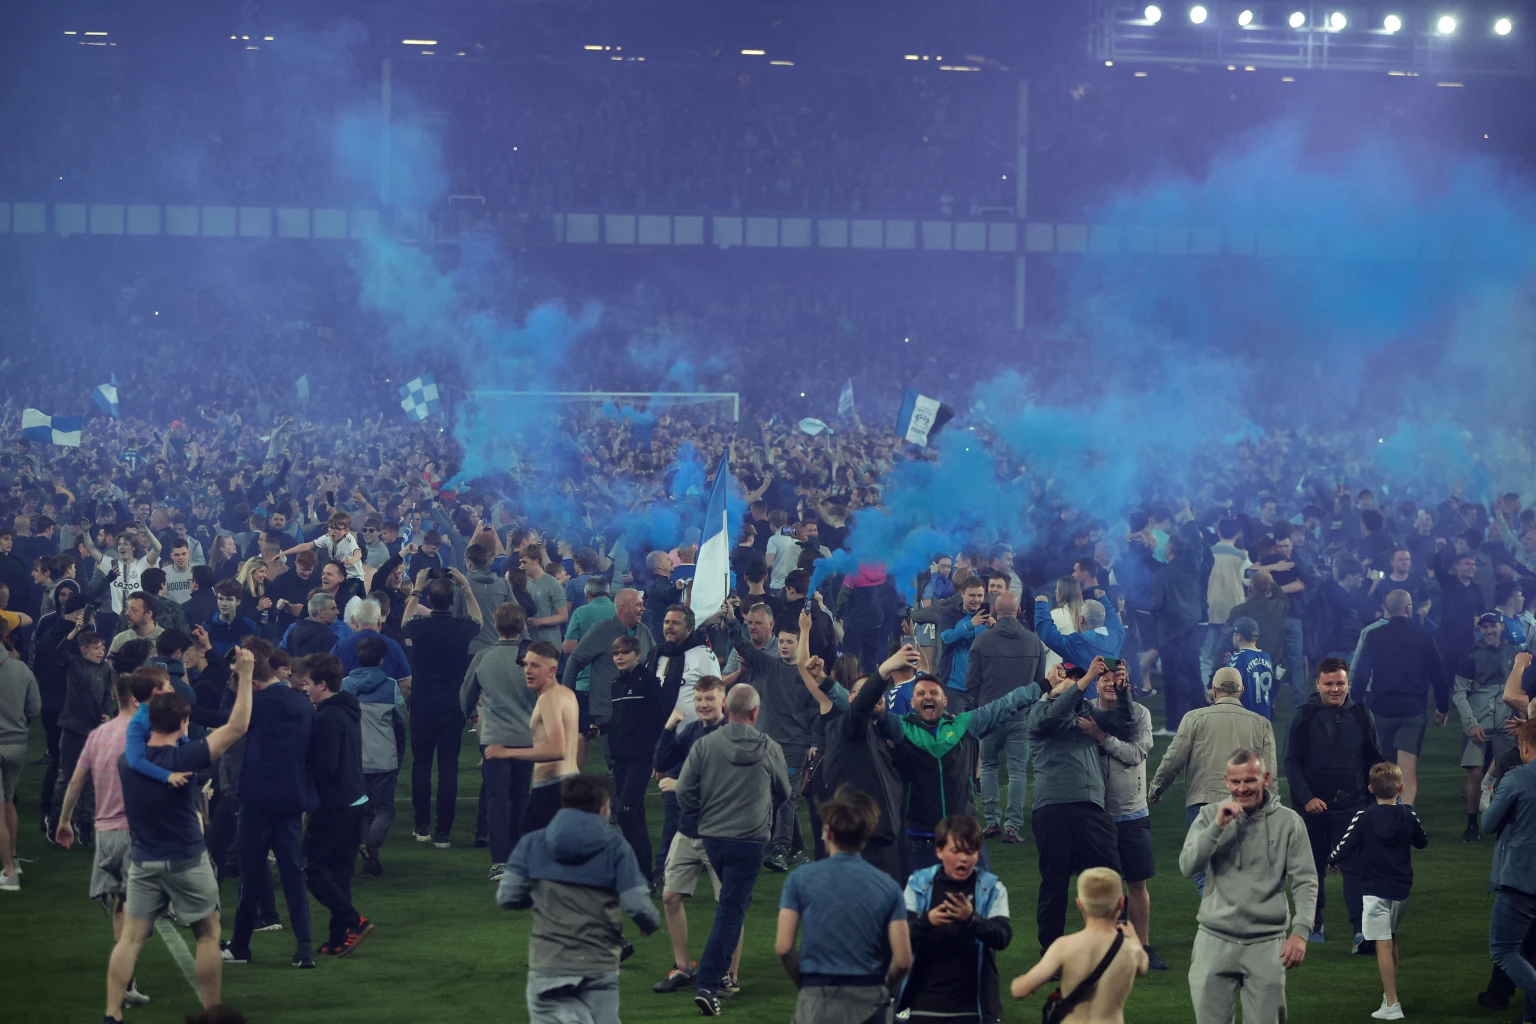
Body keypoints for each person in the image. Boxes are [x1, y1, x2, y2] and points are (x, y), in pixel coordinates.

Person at [105, 648, 253, 1024]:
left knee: (131, 939)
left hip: (143, 860)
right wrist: (247, 676)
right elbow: (236, 727)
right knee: (207, 933)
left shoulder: (128, 761)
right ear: (183, 722)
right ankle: (212, 1012)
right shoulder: (185, 759)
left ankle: (111, 1013)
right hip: (187, 858)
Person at [495, 774, 660, 1024]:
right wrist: (649, 924)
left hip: (548, 963)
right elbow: (638, 904)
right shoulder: (615, 847)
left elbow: (508, 897)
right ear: (603, 809)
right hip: (598, 962)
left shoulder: (532, 843)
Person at [675, 683, 791, 1016]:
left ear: (727, 708)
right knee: (731, 909)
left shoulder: (705, 744)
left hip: (712, 836)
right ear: (756, 713)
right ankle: (710, 983)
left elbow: (684, 790)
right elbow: (784, 793)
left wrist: (701, 813)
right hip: (751, 839)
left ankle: (722, 973)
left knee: (732, 903)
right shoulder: (770, 747)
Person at [1180, 748, 1317, 1024]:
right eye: (1236, 782)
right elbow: (1188, 867)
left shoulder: (1289, 822)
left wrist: (1301, 931)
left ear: (1265, 778)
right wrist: (1217, 826)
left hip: (1266, 943)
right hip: (1214, 939)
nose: (1242, 789)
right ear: (1226, 781)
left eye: (1250, 781)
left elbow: (1305, 881)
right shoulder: (1209, 816)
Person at [55, 669, 162, 1005]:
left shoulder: (98, 735)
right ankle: (124, 984)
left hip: (105, 835)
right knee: (138, 913)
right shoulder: (146, 733)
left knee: (121, 906)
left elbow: (75, 781)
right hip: (137, 832)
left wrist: (64, 821)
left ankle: (126, 984)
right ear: (136, 698)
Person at [1026, 657, 1135, 956]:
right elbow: (1050, 719)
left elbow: (1125, 725)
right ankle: (1051, 953)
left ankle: (1114, 945)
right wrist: (1084, 681)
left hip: (1090, 808)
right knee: (1054, 883)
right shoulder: (1039, 710)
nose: (1077, 683)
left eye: (1080, 678)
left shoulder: (1088, 712)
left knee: (1110, 877)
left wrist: (1123, 691)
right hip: (1054, 807)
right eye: (1071, 678)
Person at [884, 671, 1042, 877]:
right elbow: (861, 714)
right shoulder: (900, 728)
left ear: (945, 700)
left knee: (980, 902)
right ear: (912, 703)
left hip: (964, 835)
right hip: (920, 839)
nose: (928, 697)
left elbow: (1006, 703)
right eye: (921, 693)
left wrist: (1046, 684)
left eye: (933, 692)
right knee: (921, 907)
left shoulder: (964, 724)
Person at [775, 784, 911, 1024]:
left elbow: (784, 948)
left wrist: (806, 985)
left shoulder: (800, 879)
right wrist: (884, 989)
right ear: (867, 834)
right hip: (869, 999)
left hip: (817, 998)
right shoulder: (888, 886)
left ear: (828, 832)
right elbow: (902, 960)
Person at [222, 639, 319, 969]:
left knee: (252, 875)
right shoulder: (303, 703)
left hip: (258, 798)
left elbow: (227, 720)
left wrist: (239, 681)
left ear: (252, 682)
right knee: (292, 875)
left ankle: (240, 946)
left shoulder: (257, 704)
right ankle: (304, 949)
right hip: (292, 796)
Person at [652, 677, 745, 995]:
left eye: (710, 698)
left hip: (723, 835)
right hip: (689, 830)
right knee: (670, 896)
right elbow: (661, 763)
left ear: (724, 701)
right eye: (699, 699)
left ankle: (729, 974)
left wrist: (682, 786)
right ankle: (683, 967)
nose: (703, 704)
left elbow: (725, 784)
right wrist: (668, 727)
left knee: (730, 905)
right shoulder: (692, 731)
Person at [1283, 657, 1384, 949]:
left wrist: (1371, 800)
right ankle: (1313, 924)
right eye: (1329, 684)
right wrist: (1307, 798)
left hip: (1352, 808)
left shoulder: (1363, 715)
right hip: (1312, 808)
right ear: (1318, 684)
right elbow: (1291, 763)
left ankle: (1360, 931)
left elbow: (1374, 759)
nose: (1335, 689)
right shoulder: (1304, 716)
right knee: (1311, 868)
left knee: (1355, 868)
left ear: (1348, 683)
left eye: (1340, 683)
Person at [1151, 667, 1278, 896]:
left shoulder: (1195, 718)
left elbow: (1173, 759)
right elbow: (1270, 774)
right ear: (1241, 691)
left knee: (1205, 874)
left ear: (1213, 690)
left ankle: (1218, 925)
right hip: (1246, 808)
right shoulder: (1261, 724)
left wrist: (1156, 788)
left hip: (1204, 805)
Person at [797, 633, 908, 882]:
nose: (875, 696)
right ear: (850, 699)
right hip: (857, 840)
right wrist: (885, 670)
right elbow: (861, 707)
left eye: (878, 693)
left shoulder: (882, 732)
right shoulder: (847, 726)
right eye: (863, 691)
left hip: (885, 838)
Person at [721, 604, 821, 872]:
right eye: (784, 642)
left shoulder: (809, 675)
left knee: (785, 794)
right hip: (770, 742)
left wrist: (814, 743)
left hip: (796, 746)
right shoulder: (769, 665)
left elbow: (817, 711)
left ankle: (779, 848)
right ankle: (798, 850)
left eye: (791, 642)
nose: (785, 646)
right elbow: (742, 645)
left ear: (800, 645)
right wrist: (732, 621)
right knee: (778, 795)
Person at [1327, 762, 1429, 1021]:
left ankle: (1392, 1003)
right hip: (1401, 889)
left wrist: (1331, 859)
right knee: (1391, 938)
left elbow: (1344, 847)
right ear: (1401, 787)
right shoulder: (1408, 814)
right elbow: (1422, 842)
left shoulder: (1364, 816)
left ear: (1371, 788)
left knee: (1382, 945)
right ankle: (1389, 995)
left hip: (1374, 890)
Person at [1084, 658, 1166, 970]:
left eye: (1115, 678)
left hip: (1132, 811)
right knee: (1102, 886)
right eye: (1104, 678)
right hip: (1097, 811)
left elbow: (1136, 754)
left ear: (1126, 682)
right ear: (1096, 683)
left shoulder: (1140, 714)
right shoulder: (1086, 709)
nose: (1109, 683)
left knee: (1137, 883)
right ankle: (1108, 947)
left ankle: (1143, 946)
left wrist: (1101, 737)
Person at [293, 653, 372, 958]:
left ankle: (354, 921)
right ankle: (339, 939)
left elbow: (326, 767)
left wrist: (303, 762)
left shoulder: (326, 717)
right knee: (339, 873)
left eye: (309, 684)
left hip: (334, 804)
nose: (305, 689)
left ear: (322, 684)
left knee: (314, 870)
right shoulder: (348, 711)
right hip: (355, 800)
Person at [899, 813, 1013, 1023]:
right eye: (956, 851)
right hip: (923, 1006)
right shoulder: (919, 884)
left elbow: (1002, 937)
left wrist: (972, 919)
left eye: (970, 852)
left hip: (972, 1010)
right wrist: (927, 921)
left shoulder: (992, 888)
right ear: (939, 851)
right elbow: (900, 937)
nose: (963, 858)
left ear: (978, 855)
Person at [402, 571, 482, 846]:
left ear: (429, 599)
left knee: (421, 765)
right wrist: (466, 586)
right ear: (452, 600)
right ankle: (443, 832)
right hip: (452, 705)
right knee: (448, 768)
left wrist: (416, 588)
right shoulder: (461, 627)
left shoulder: (420, 626)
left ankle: (422, 826)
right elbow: (479, 620)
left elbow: (404, 621)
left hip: (423, 704)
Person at [1009, 868, 1148, 1021]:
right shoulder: (1130, 949)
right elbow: (1142, 967)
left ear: (1080, 904)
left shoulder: (1064, 946)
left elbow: (1019, 990)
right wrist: (1134, 938)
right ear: (1121, 903)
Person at [461, 602, 536, 881]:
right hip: (525, 736)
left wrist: (471, 714)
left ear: (496, 625)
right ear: (521, 625)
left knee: (496, 799)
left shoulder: (483, 657)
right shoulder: (532, 658)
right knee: (520, 796)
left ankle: (500, 862)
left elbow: (465, 694)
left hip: (493, 738)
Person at [1353, 589, 1449, 807]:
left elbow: (1361, 676)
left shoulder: (1374, 635)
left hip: (1380, 710)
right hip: (1412, 710)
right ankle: (1405, 820)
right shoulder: (1423, 634)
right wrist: (1442, 707)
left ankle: (1382, 817)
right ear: (1408, 608)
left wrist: (1355, 706)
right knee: (1407, 770)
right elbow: (1439, 674)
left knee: (1382, 770)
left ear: (1387, 608)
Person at [969, 592, 1048, 845]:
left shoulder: (981, 641)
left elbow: (971, 683)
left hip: (989, 714)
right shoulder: (1034, 642)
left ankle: (991, 821)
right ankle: (1012, 827)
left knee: (989, 766)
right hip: (1021, 716)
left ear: (994, 610)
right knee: (1017, 772)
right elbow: (1040, 683)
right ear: (1018, 611)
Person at [649, 603, 723, 865]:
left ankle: (666, 863)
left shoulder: (702, 655)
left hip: (696, 740)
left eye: (675, 623)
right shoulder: (659, 654)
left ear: (689, 628)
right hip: (669, 740)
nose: (669, 626)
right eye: (667, 622)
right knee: (676, 801)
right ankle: (689, 856)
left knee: (683, 800)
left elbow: (717, 693)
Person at [483, 641, 579, 836]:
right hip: (569, 784)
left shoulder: (548, 698)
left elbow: (557, 749)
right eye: (526, 664)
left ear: (552, 670)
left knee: (534, 855)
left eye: (535, 666)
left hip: (552, 791)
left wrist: (506, 752)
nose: (527, 671)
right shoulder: (567, 694)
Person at [1482, 718, 1536, 1024]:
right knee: (1531, 953)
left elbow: (1488, 823)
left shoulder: (1517, 777)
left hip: (1522, 879)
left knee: (1503, 949)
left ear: (1524, 746)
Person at [342, 635, 406, 878]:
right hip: (383, 757)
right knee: (385, 809)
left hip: (355, 759)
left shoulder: (346, 684)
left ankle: (371, 861)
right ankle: (371, 844)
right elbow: (402, 715)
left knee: (365, 811)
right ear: (381, 659)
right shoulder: (390, 685)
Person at [605, 633, 666, 882]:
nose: (619, 657)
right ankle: (643, 873)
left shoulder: (649, 683)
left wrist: (658, 756)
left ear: (638, 655)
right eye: (616, 653)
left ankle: (641, 870)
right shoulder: (615, 685)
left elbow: (659, 719)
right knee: (633, 813)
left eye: (624, 653)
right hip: (620, 760)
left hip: (641, 758)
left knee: (627, 811)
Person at [1456, 613, 1520, 842]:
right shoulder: (1470, 655)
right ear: (1480, 629)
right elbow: (1459, 692)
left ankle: (1504, 822)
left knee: (1510, 775)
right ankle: (1472, 825)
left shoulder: (1515, 652)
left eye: (1493, 625)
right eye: (1485, 627)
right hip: (1479, 724)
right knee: (1474, 773)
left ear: (1502, 626)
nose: (1489, 630)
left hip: (1506, 724)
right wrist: (1471, 724)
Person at [51, 621, 114, 846]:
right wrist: (76, 630)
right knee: (67, 777)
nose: (101, 651)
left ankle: (85, 824)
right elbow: (59, 651)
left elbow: (107, 693)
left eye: (103, 647)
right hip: (73, 730)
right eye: (96, 647)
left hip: (95, 732)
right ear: (83, 650)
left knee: (93, 781)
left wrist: (106, 713)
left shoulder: (106, 669)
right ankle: (57, 819)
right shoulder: (74, 664)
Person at [0, 630, 41, 890]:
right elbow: (34, 709)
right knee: (8, 802)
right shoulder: (21, 669)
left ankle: (9, 872)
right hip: (17, 743)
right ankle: (14, 859)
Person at [936, 574, 990, 711]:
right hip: (954, 687)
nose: (976, 600)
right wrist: (970, 624)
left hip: (980, 688)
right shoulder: (949, 614)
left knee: (977, 730)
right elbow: (947, 638)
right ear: (962, 593)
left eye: (980, 595)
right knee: (955, 730)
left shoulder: (988, 618)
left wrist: (995, 629)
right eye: (972, 595)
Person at [1226, 616, 1276, 720]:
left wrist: (1210, 693)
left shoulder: (1239, 658)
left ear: (1239, 636)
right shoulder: (1266, 657)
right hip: (1264, 717)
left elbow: (1229, 688)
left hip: (1245, 718)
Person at [519, 543, 569, 645]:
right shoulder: (524, 584)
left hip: (550, 645)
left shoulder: (553, 584)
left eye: (525, 562)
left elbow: (563, 616)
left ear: (536, 561)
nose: (521, 566)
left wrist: (538, 621)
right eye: (520, 563)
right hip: (530, 645)